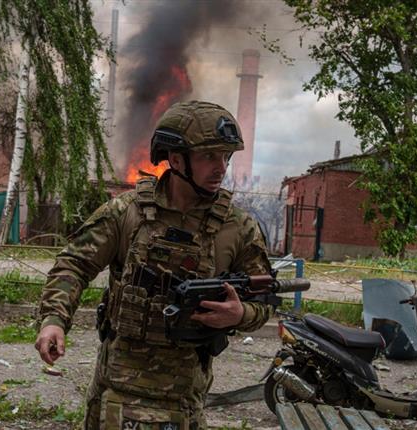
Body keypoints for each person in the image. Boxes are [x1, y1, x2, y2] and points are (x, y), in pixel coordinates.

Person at [34, 100, 274, 429]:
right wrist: (54, 320)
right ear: (176, 159)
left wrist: (240, 314)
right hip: (116, 387)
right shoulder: (126, 212)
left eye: (226, 157)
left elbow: (265, 298)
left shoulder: (238, 228)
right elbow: (73, 265)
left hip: (184, 398)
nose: (221, 167)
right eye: (209, 156)